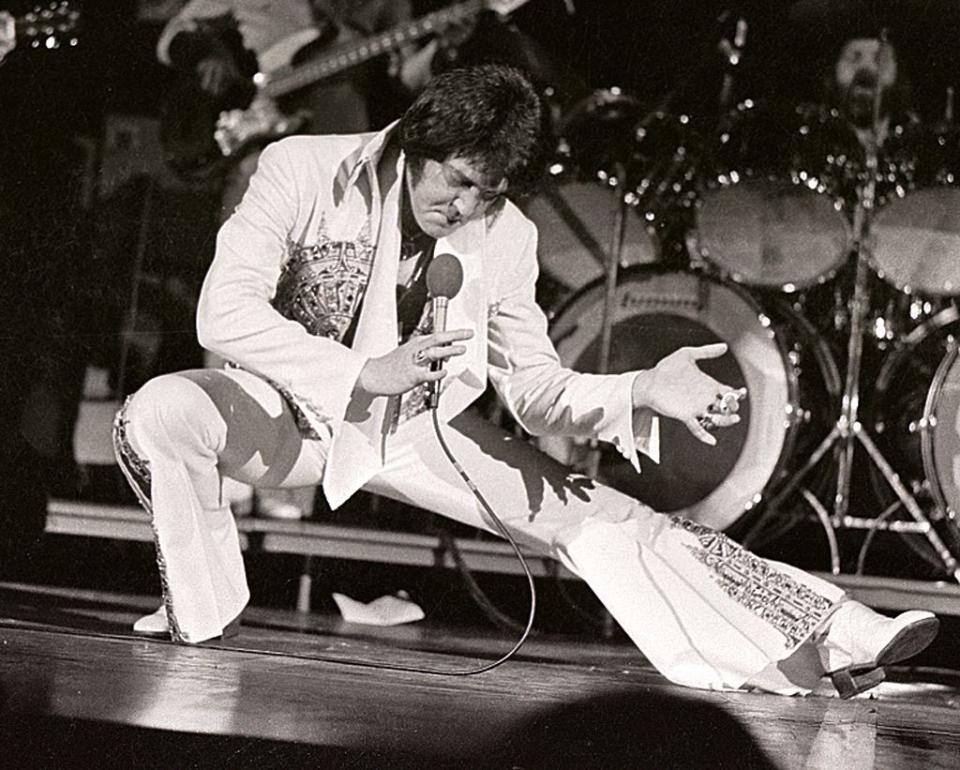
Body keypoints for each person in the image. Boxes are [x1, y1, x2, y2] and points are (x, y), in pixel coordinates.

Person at [114, 63, 939, 698]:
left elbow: (535, 387)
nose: (469, 207)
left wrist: (637, 389)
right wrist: (362, 369)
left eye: (491, 191)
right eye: (460, 182)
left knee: (611, 521)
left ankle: (838, 634)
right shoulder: (301, 169)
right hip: (283, 414)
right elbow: (222, 315)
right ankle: (199, 614)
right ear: (417, 144)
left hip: (416, 429)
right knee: (160, 411)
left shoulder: (503, 234)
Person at [155, 0, 440, 519]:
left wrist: (438, 44)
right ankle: (220, 467)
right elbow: (175, 31)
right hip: (262, 154)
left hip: (337, 155)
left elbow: (406, 78)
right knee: (243, 298)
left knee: (322, 305)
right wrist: (207, 55)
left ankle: (285, 480)